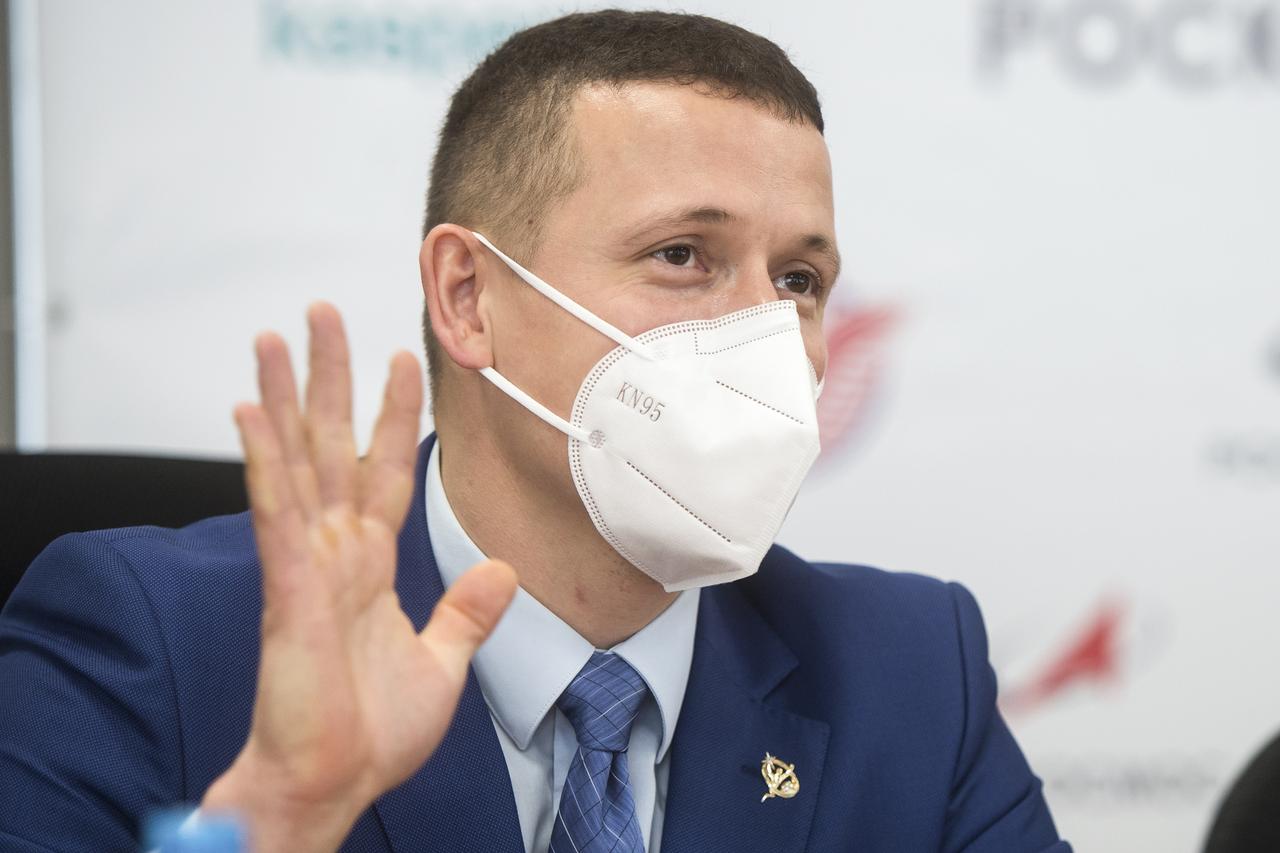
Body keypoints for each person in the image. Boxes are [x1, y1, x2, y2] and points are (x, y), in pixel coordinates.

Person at [0, 10, 1071, 853]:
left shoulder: (910, 672)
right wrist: (270, 828)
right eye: (683, 255)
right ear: (468, 297)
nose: (768, 334)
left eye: (798, 279)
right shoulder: (154, 640)